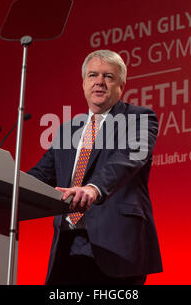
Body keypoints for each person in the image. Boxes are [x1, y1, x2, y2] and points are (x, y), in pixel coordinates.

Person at [27, 50, 162, 285]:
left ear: (121, 84)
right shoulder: (68, 130)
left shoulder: (139, 118)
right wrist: (5, 183)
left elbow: (129, 158)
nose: (99, 81)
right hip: (67, 244)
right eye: (93, 75)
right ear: (83, 83)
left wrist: (93, 188)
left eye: (108, 76)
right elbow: (40, 175)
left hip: (116, 244)